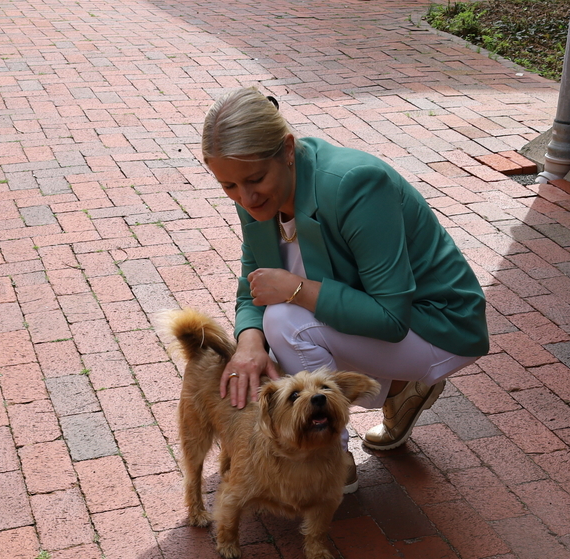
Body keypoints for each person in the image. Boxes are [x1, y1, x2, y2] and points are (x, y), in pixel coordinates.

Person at [201, 87, 489, 492]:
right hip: (363, 307)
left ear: (286, 149)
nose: (245, 198)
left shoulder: (355, 184)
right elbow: (255, 282)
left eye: (254, 180)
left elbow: (390, 319)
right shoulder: (251, 187)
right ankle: (401, 392)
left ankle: (330, 458)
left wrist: (296, 290)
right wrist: (248, 344)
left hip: (437, 325)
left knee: (286, 324)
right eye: (228, 185)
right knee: (270, 343)